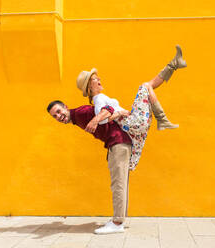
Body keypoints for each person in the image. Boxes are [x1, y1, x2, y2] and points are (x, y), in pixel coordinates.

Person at [47, 45, 186, 234]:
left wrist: (100, 120)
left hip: (119, 142)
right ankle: (173, 66)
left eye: (58, 112)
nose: (59, 116)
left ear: (64, 106)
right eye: (55, 116)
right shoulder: (82, 113)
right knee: (146, 86)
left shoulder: (80, 112)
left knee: (118, 182)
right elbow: (113, 110)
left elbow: (108, 111)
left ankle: (117, 223)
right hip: (121, 139)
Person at [76, 45, 186, 171]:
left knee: (148, 86)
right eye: (95, 78)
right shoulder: (99, 99)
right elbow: (101, 120)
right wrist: (119, 113)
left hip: (134, 124)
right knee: (145, 86)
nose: (99, 78)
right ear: (90, 86)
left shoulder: (100, 98)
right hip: (133, 122)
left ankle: (174, 64)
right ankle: (162, 119)